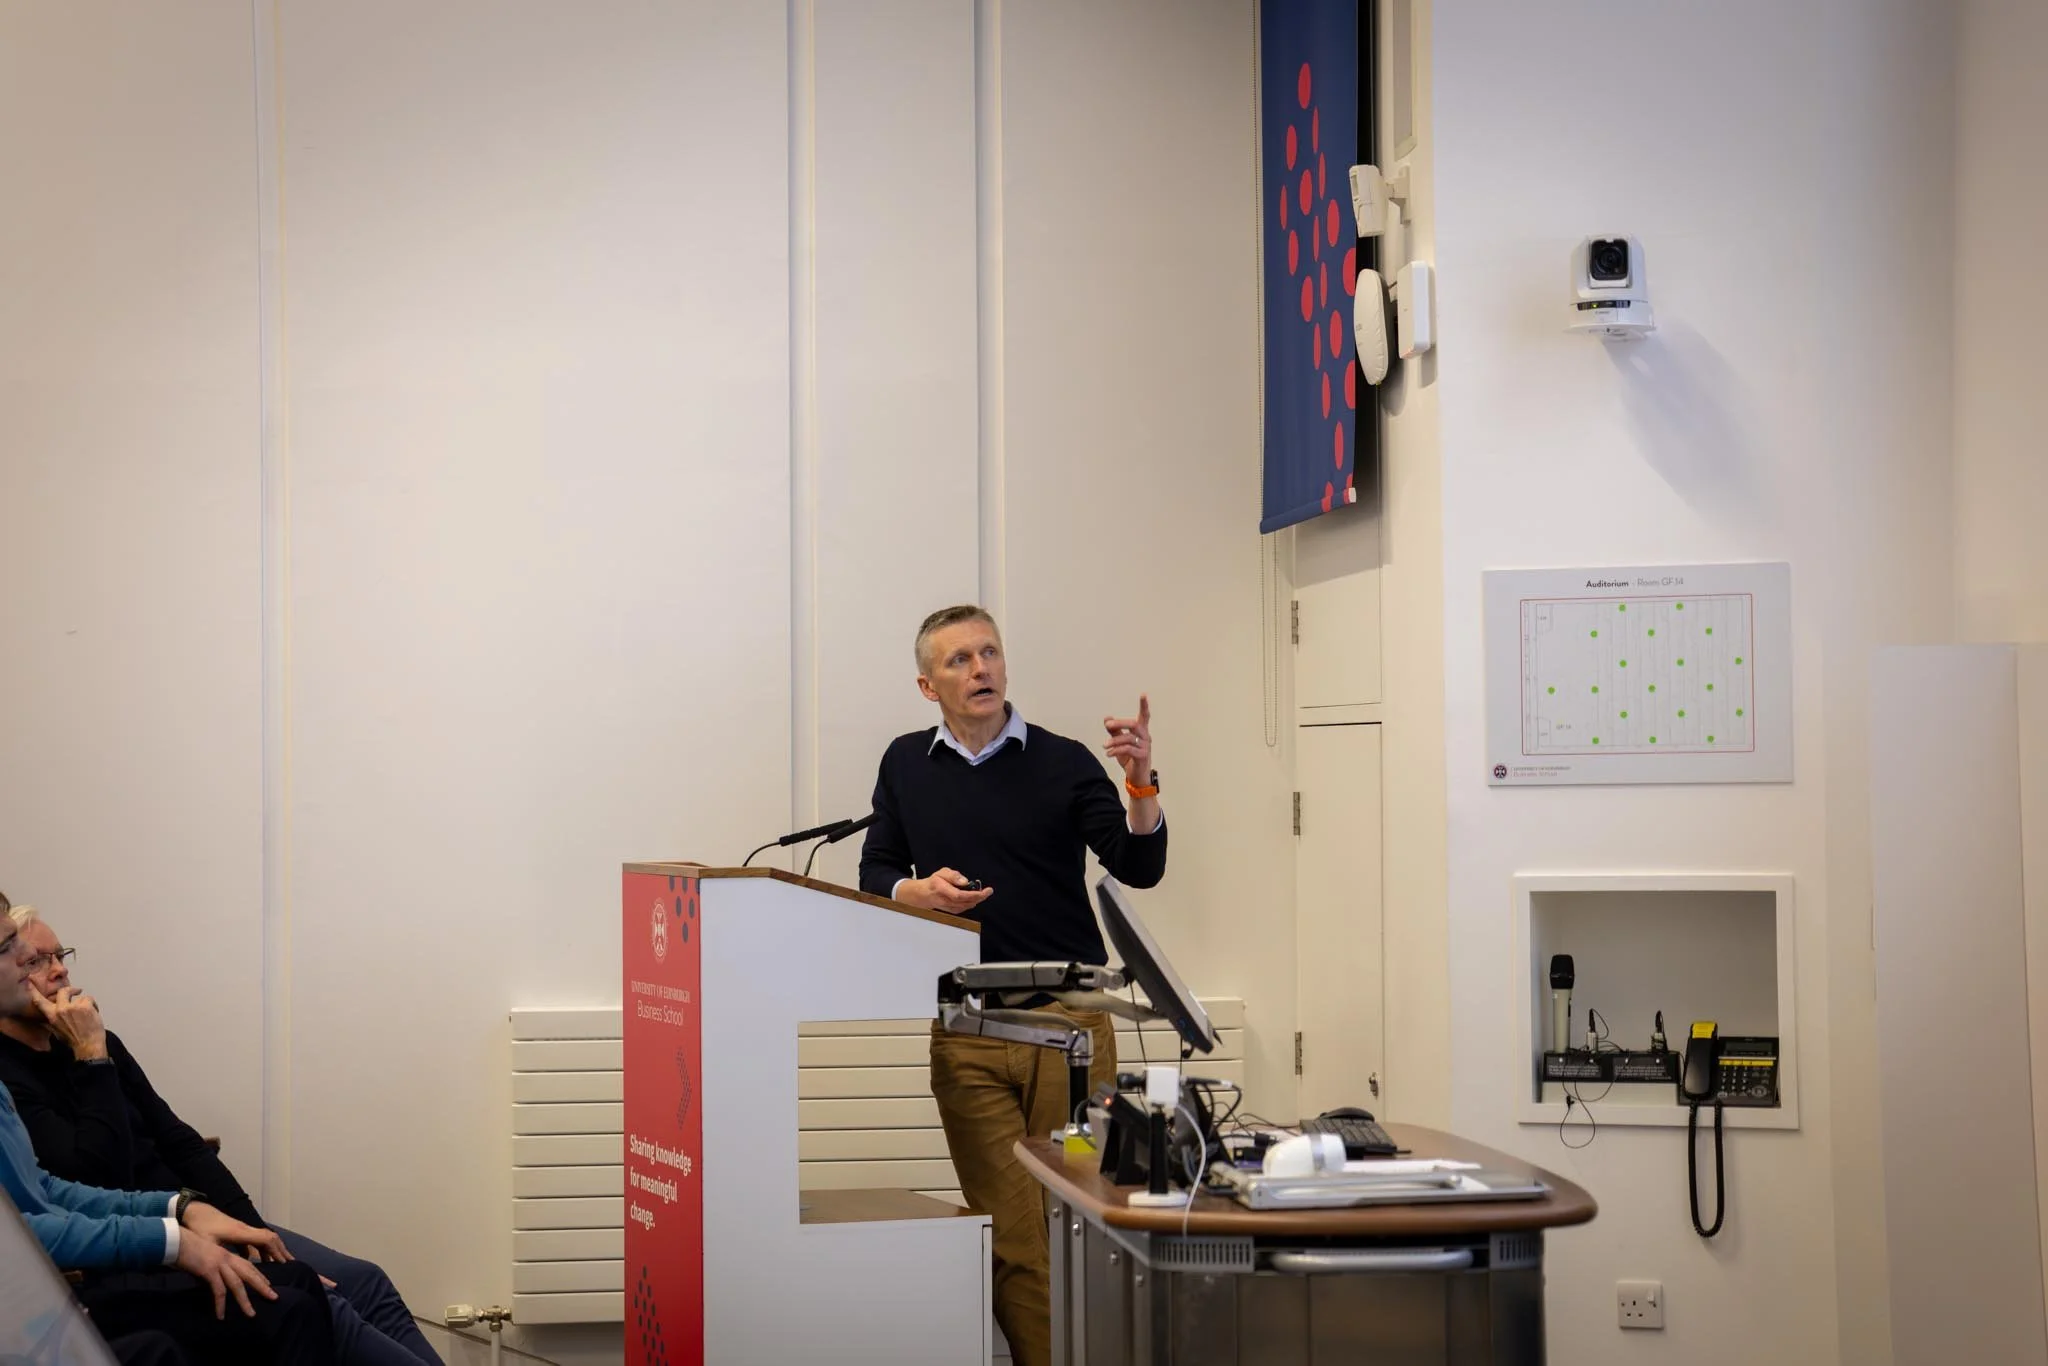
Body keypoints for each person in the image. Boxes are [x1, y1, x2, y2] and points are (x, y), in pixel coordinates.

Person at [858, 605, 1167, 1366]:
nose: (981, 670)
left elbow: (1139, 865)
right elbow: (875, 871)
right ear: (929, 686)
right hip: (968, 1040)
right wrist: (913, 891)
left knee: (1081, 1222)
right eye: (959, 660)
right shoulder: (905, 762)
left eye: (989, 653)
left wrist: (1140, 784)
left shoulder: (1062, 761)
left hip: (1070, 1037)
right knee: (1014, 1236)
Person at [0, 905, 440, 1366]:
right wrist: (90, 1056)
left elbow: (180, 1142)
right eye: (34, 960)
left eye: (59, 955)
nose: (58, 970)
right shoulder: (23, 1070)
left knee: (365, 1279)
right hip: (134, 1244)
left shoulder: (101, 1042)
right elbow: (95, 1174)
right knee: (319, 1304)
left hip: (191, 1213)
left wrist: (256, 1229)